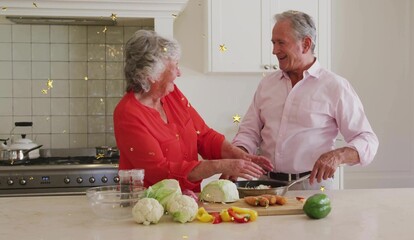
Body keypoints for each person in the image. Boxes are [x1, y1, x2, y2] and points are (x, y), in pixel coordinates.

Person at [232, 10, 379, 190]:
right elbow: (249, 132)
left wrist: (337, 156)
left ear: (306, 44)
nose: (274, 50)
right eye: (273, 43)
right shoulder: (267, 84)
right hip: (266, 186)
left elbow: (367, 140)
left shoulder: (335, 86)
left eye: (281, 43)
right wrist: (238, 157)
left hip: (312, 188)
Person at [114, 30, 273, 192]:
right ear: (151, 75)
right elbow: (160, 172)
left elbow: (204, 136)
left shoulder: (172, 95)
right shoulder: (128, 114)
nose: (179, 72)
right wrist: (220, 165)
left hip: (187, 201)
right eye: (174, 66)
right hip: (149, 204)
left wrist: (240, 156)